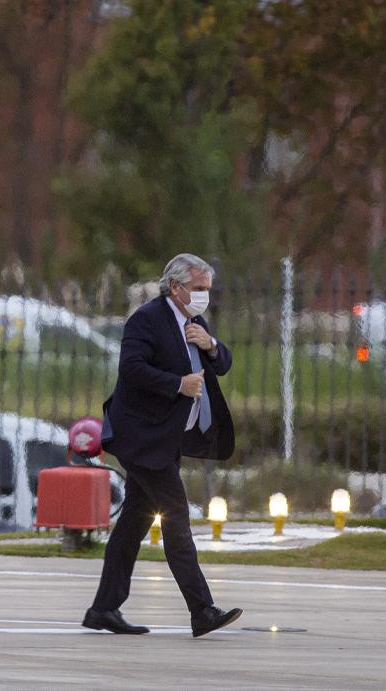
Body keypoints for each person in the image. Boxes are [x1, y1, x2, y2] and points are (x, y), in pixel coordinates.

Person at [83, 253, 241, 638]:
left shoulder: (193, 322)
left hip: (164, 438)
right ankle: (202, 609)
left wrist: (211, 344)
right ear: (175, 287)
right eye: (198, 288)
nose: (204, 296)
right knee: (175, 516)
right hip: (140, 437)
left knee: (133, 522)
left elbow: (223, 365)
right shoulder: (147, 320)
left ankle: (103, 608)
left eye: (207, 289)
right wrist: (178, 384)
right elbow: (131, 369)